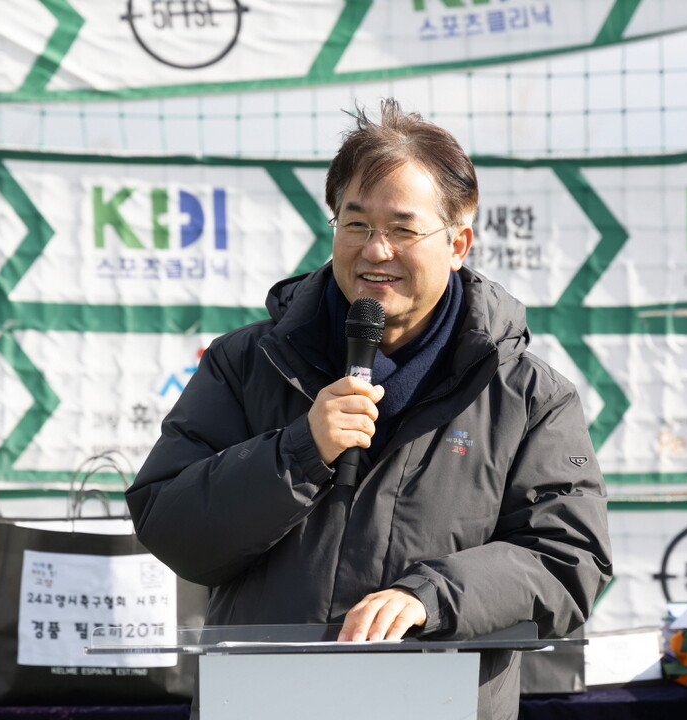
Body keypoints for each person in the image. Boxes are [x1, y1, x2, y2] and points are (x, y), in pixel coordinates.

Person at [126, 98, 612, 719]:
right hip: (265, 704)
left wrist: (433, 596)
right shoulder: (246, 362)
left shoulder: (527, 395)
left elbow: (568, 560)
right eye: (355, 225)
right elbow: (170, 525)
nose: (376, 251)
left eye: (403, 230)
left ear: (458, 243)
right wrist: (299, 451)